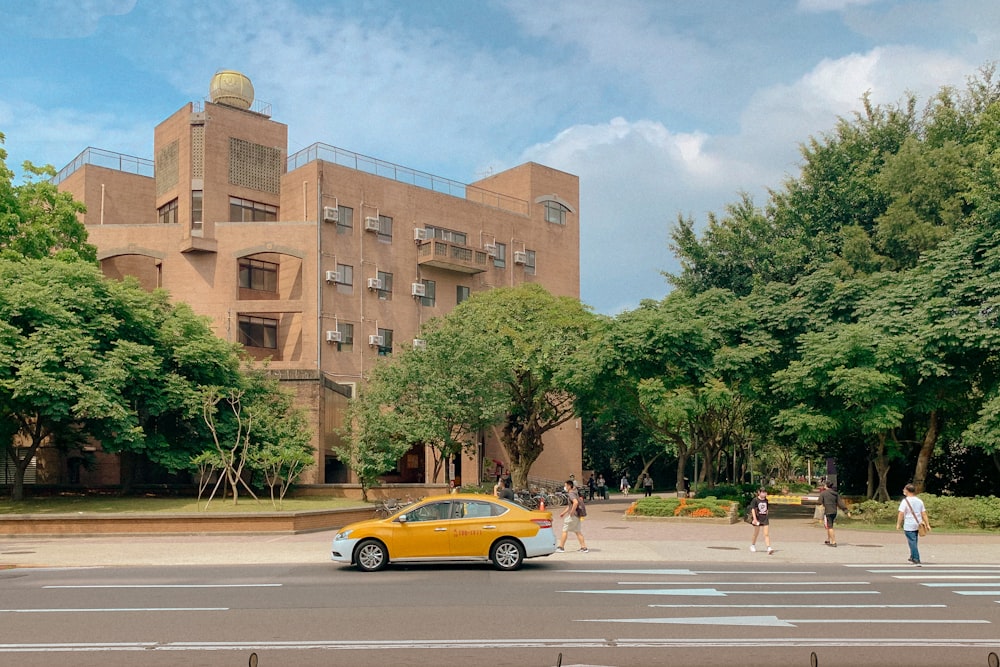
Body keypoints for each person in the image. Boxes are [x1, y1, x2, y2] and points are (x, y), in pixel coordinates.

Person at [897, 483, 929, 566]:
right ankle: (912, 556)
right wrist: (927, 524)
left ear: (907, 491)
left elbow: (901, 513)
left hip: (909, 524)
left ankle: (916, 558)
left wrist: (898, 524)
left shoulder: (905, 501)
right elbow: (924, 513)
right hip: (918, 524)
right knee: (914, 540)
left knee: (912, 542)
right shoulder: (919, 501)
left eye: (904, 489)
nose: (903, 491)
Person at [556, 479, 588, 553]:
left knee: (565, 530)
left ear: (569, 486)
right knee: (577, 531)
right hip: (577, 516)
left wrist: (571, 512)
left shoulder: (571, 494)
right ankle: (584, 548)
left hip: (573, 516)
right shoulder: (575, 493)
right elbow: (570, 505)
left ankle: (561, 547)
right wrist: (563, 513)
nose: (565, 487)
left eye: (565, 485)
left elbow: (575, 503)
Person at [818, 480, 849, 546]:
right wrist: (846, 511)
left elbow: (819, 502)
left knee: (830, 527)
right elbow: (840, 503)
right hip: (834, 512)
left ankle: (834, 541)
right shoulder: (835, 493)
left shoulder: (823, 493)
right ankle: (828, 539)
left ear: (826, 486)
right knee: (829, 525)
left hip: (827, 512)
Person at [749, 488, 773, 555]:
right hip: (757, 518)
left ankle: (769, 547)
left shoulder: (766, 500)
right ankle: (753, 545)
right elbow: (753, 509)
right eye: (763, 492)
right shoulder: (755, 500)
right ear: (759, 492)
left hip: (764, 518)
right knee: (756, 533)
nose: (764, 494)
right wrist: (754, 519)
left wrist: (766, 516)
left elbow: (767, 509)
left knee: (766, 534)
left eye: (765, 492)